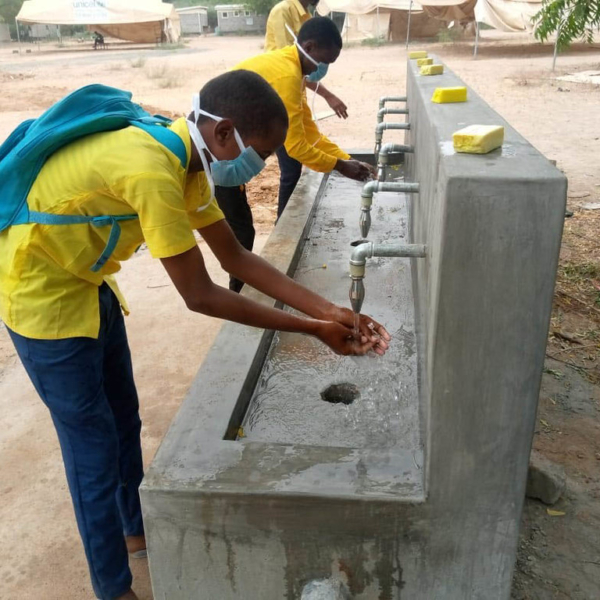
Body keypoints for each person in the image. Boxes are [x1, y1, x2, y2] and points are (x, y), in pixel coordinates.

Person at [0, 71, 389, 600]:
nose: (259, 168)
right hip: (40, 295)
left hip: (87, 284)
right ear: (225, 132)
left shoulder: (187, 161)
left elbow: (236, 257)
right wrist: (312, 329)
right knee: (92, 446)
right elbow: (200, 294)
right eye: (262, 153)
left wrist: (330, 309)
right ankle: (114, 589)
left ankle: (136, 535)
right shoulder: (152, 168)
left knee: (124, 417)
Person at [215, 17, 373, 292]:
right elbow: (296, 147)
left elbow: (309, 132)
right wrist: (340, 166)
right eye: (324, 61)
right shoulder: (288, 76)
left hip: (232, 144)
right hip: (217, 146)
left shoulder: (294, 70)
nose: (323, 69)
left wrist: (346, 158)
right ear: (309, 46)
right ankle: (239, 298)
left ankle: (241, 289)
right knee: (240, 230)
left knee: (240, 227)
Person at [264, 0, 348, 119]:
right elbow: (290, 65)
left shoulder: (306, 15)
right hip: (281, 88)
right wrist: (327, 95)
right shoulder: (283, 11)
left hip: (296, 86)